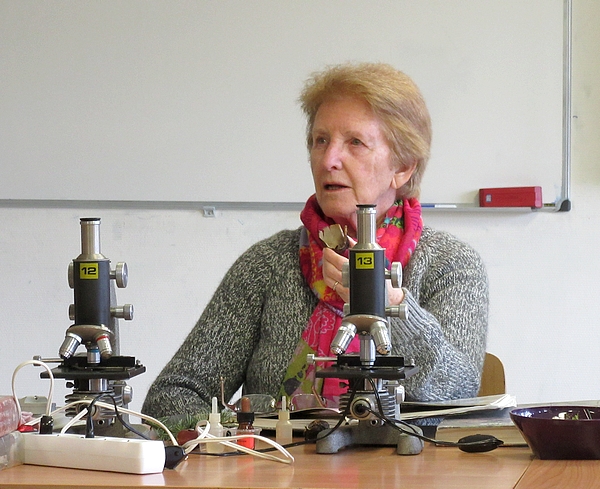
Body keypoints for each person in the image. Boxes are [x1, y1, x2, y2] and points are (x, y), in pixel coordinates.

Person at [142, 62, 488, 419]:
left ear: (403, 167)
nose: (329, 159)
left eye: (355, 143)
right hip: (285, 468)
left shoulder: (450, 264)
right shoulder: (268, 264)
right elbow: (172, 395)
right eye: (320, 140)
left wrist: (391, 304)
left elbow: (457, 392)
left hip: (407, 472)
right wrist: (250, 428)